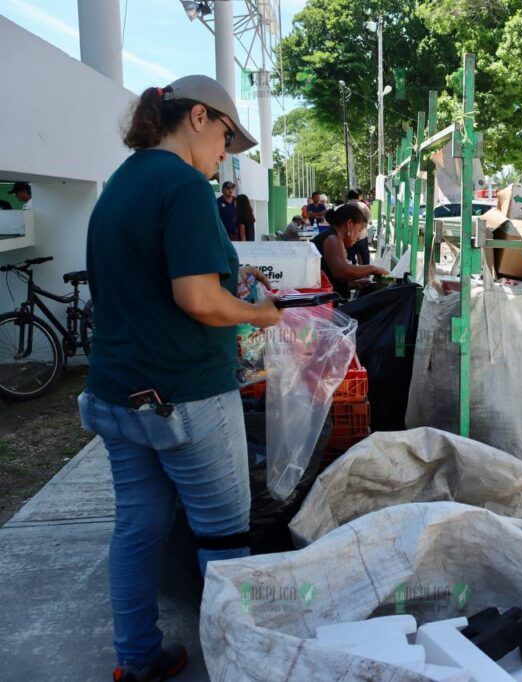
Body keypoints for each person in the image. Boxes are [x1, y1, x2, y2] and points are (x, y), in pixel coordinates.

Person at [79, 74, 283, 681]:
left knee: (138, 526)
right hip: (183, 396)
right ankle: (240, 662)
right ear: (198, 117)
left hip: (116, 393)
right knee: (224, 539)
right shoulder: (185, 187)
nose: (225, 154)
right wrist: (259, 313)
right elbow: (197, 298)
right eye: (225, 136)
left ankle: (136, 658)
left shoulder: (122, 183)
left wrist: (236, 293)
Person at [312, 203, 388, 298]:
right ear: (349, 224)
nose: (359, 236)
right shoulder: (333, 239)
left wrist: (353, 284)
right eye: (359, 230)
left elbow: (330, 277)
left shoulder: (333, 237)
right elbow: (342, 272)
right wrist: (373, 269)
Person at [346, 197, 372, 266]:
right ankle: (366, 271)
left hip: (350, 236)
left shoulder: (346, 206)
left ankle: (352, 269)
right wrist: (362, 227)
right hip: (362, 236)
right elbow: (369, 219)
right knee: (364, 255)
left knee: (350, 257)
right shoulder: (363, 205)